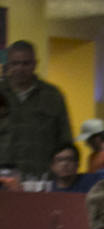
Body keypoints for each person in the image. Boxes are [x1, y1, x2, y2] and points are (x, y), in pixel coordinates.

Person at [1, 40, 73, 176]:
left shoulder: (52, 95)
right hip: (3, 179)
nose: (20, 68)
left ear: (35, 64)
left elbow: (65, 139)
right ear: (8, 65)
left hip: (42, 178)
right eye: (15, 63)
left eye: (26, 63)